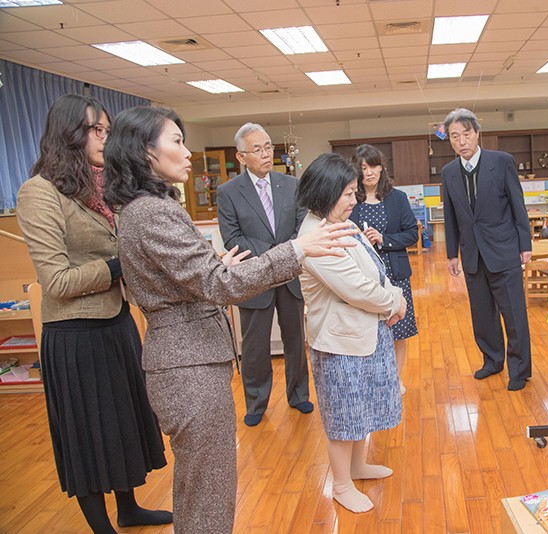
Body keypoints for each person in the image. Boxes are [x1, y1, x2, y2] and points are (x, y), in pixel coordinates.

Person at [102, 106, 357, 533]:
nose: (187, 154)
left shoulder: (145, 208)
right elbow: (220, 285)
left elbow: (193, 277)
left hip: (188, 362)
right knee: (210, 492)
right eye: (177, 142)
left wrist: (216, 265)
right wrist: (297, 250)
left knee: (200, 488)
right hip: (188, 369)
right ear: (145, 152)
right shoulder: (154, 212)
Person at [15, 94, 172, 534]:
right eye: (96, 130)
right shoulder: (39, 192)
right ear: (69, 135)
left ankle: (129, 508)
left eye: (106, 129)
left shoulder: (102, 187)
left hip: (116, 324)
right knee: (89, 434)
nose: (105, 137)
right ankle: (101, 526)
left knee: (122, 423)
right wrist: (121, 265)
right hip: (75, 335)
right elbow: (58, 280)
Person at [296, 153, 406, 513]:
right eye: (347, 193)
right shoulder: (314, 236)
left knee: (363, 407)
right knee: (344, 415)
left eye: (355, 191)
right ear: (326, 193)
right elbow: (356, 288)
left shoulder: (343, 223)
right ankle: (341, 485)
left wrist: (393, 292)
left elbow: (375, 268)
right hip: (340, 342)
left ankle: (358, 467)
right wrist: (394, 302)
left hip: (365, 332)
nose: (354, 200)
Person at [217, 123, 312, 426]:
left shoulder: (291, 184)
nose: (265, 153)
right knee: (255, 346)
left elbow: (301, 227)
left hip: (290, 276)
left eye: (268, 146)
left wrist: (286, 253)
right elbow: (232, 237)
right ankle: (256, 402)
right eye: (257, 149)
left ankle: (299, 394)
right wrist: (274, 253)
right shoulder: (228, 192)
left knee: (296, 339)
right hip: (255, 279)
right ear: (241, 157)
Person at [440, 107, 533, 391]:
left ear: (477, 133)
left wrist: (525, 244)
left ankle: (519, 370)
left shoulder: (502, 162)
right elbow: (451, 216)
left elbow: (518, 204)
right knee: (482, 315)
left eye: (466, 134)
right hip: (472, 255)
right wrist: (451, 253)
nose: (461, 141)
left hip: (504, 250)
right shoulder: (448, 172)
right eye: (455, 137)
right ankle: (492, 361)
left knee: (514, 314)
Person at [349, 144, 419, 395]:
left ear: (381, 167)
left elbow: (412, 233)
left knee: (399, 329)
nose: (369, 172)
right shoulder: (350, 201)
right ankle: (374, 379)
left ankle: (395, 379)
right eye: (363, 168)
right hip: (364, 275)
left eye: (373, 166)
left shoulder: (396, 198)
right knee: (372, 329)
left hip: (395, 272)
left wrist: (383, 239)